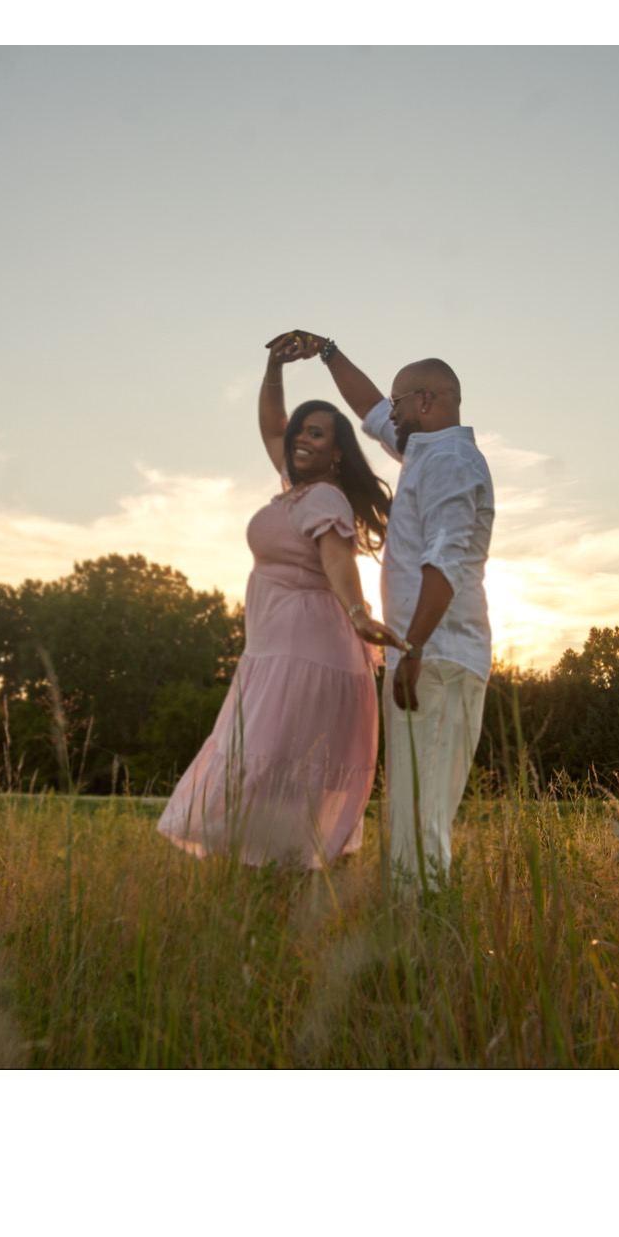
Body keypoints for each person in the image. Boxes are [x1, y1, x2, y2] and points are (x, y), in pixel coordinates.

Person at [156, 339, 406, 869]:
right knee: (266, 768)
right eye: (301, 431)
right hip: (275, 649)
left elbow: (339, 560)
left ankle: (286, 881)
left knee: (274, 768)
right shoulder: (296, 486)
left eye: (316, 433)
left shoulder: (325, 497)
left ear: (336, 452)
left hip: (305, 650)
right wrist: (274, 366)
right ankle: (274, 882)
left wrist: (359, 616)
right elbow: (273, 427)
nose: (300, 439)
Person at [268, 331, 495, 887]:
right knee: (412, 813)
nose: (390, 413)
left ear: (427, 401)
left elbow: (445, 564)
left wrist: (412, 650)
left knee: (420, 817)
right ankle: (414, 918)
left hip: (437, 658)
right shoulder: (425, 450)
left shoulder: (450, 463)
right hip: (426, 655)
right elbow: (369, 408)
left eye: (399, 402)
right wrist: (326, 352)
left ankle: (424, 926)